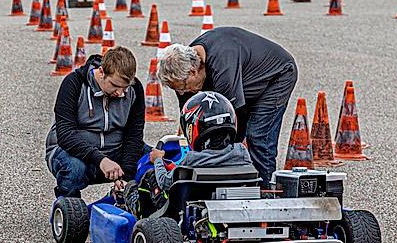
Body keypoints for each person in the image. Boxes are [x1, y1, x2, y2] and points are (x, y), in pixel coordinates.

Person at [157, 27, 297, 187]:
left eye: (183, 87)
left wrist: (220, 157)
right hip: (245, 81)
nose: (183, 93)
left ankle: (264, 192)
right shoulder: (184, 66)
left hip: (277, 75)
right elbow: (189, 117)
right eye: (178, 90)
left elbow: (229, 120)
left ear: (193, 72)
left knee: (258, 137)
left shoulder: (222, 66)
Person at [46, 47, 145, 198]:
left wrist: (127, 176)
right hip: (74, 152)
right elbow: (66, 135)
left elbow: (134, 136)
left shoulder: (135, 89)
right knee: (74, 168)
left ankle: (138, 203)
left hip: (115, 150)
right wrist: (101, 160)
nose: (120, 93)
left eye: (125, 87)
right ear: (102, 72)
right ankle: (69, 204)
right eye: (115, 85)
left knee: (154, 159)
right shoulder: (73, 83)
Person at [149, 91, 253, 193]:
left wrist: (158, 160)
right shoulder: (242, 153)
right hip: (237, 204)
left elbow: (164, 182)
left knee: (148, 177)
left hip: (193, 206)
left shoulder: (192, 160)